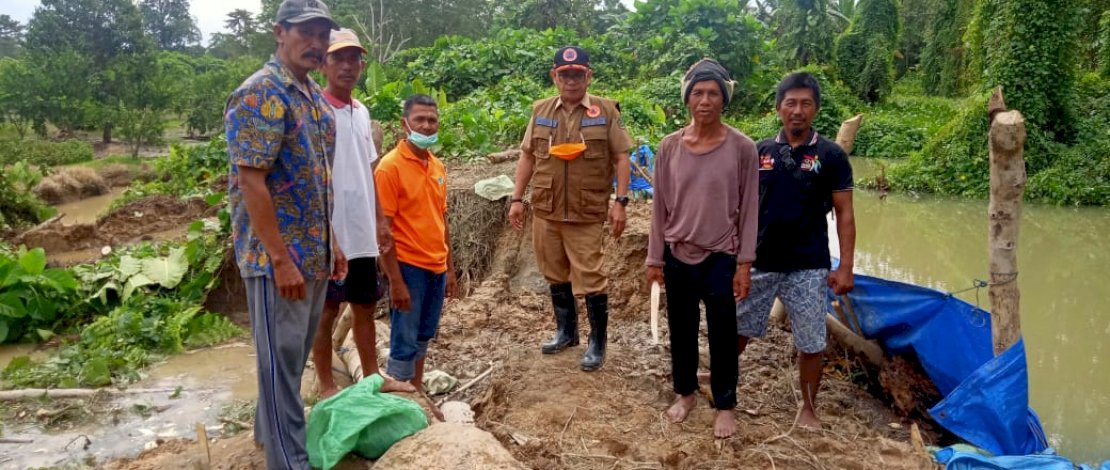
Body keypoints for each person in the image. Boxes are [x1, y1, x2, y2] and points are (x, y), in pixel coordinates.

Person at [223, 0, 344, 467]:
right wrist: (280, 258)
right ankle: (290, 461)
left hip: (311, 252)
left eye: (322, 34)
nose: (315, 43)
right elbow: (251, 180)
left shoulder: (310, 95)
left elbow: (318, 179)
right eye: (305, 32)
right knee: (279, 366)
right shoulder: (260, 93)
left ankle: (265, 434)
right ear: (279, 32)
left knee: (288, 360)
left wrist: (330, 241)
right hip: (278, 261)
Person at [645, 59, 759, 438]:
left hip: (721, 256)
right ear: (687, 99)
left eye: (713, 93)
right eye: (698, 92)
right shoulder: (669, 147)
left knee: (724, 332)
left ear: (724, 99)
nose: (705, 100)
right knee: (682, 328)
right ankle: (686, 393)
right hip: (678, 254)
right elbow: (659, 205)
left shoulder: (742, 147)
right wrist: (654, 258)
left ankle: (725, 404)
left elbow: (750, 209)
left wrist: (745, 264)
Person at [736, 71, 856, 428]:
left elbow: (845, 214)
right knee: (737, 328)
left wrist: (845, 266)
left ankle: (808, 406)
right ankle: (725, 381)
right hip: (760, 259)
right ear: (778, 108)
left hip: (809, 264)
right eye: (791, 103)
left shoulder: (831, 155)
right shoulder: (759, 152)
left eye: (806, 103)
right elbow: (741, 209)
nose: (798, 110)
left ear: (816, 109)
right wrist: (736, 259)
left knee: (811, 340)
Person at [508, 46, 634, 371]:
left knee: (591, 276)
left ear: (588, 76)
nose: (571, 80)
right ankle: (567, 332)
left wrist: (620, 202)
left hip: (586, 209)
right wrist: (517, 198)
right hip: (547, 210)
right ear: (555, 76)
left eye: (578, 74)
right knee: (554, 272)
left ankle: (597, 343)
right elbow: (527, 156)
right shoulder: (540, 110)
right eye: (565, 74)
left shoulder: (606, 111)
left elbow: (622, 158)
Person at [310, 28, 414, 398]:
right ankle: (324, 383)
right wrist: (328, 231)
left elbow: (369, 172)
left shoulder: (361, 111)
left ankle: (372, 376)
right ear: (322, 63)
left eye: (354, 58)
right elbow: (313, 177)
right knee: (326, 310)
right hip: (332, 232)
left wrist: (380, 220)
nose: (348, 66)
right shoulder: (317, 111)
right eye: (338, 57)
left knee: (365, 305)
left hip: (362, 230)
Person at [374, 94, 457, 401]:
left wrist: (449, 268)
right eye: (420, 119)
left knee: (423, 335)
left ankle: (417, 392)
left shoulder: (437, 167)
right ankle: (399, 399)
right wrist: (395, 281)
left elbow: (441, 219)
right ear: (404, 124)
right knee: (404, 339)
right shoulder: (389, 168)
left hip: (436, 265)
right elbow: (383, 233)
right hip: (408, 266)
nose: (426, 125)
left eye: (432, 120)